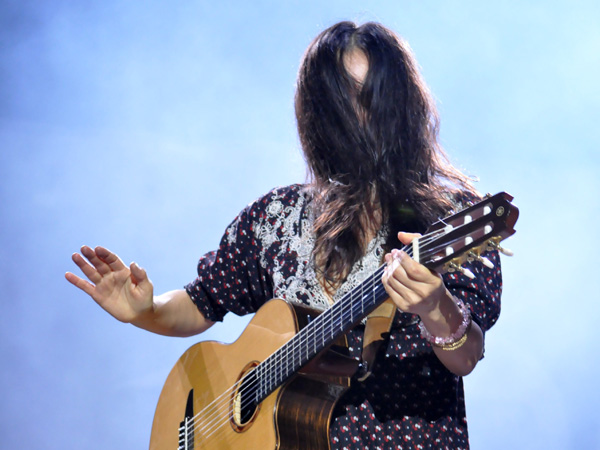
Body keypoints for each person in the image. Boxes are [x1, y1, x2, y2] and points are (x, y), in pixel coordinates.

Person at [66, 21, 501, 450]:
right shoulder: (276, 215)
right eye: (346, 97)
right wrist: (146, 310)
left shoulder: (448, 215)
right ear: (319, 111)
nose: (364, 112)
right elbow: (202, 302)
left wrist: (435, 306)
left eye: (375, 94)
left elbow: (466, 357)